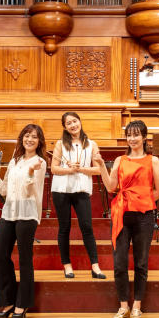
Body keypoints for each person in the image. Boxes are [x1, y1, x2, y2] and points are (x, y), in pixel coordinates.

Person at [96, 120, 159, 318]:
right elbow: (111, 186)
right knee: (119, 262)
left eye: (136, 135)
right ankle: (123, 305)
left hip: (144, 215)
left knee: (141, 262)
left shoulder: (153, 161)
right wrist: (101, 165)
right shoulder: (120, 160)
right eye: (129, 135)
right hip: (121, 213)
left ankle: (137, 305)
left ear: (144, 137)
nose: (132, 138)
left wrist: (141, 199)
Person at [0, 123, 48, 318]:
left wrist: (31, 172)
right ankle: (8, 301)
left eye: (34, 136)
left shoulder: (40, 162)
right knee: (1, 256)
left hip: (27, 213)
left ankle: (22, 305)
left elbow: (30, 191)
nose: (29, 139)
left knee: (24, 259)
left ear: (39, 141)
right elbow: (4, 190)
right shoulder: (15, 160)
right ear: (21, 138)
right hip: (9, 212)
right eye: (26, 135)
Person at [50, 112, 106, 279]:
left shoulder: (92, 144)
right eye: (69, 123)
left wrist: (80, 169)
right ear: (65, 127)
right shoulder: (60, 144)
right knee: (64, 228)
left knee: (87, 227)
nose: (73, 125)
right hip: (61, 190)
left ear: (80, 121)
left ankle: (95, 266)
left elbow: (97, 169)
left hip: (81, 189)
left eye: (74, 121)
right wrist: (69, 170)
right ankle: (67, 266)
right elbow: (54, 169)